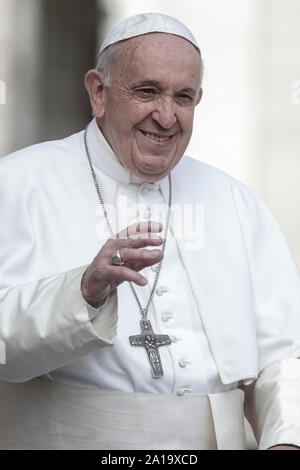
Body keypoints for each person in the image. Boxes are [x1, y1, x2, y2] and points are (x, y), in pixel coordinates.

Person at [0, 13, 299, 451]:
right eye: (147, 91)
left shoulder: (237, 203)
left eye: (184, 97)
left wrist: (286, 440)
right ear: (98, 93)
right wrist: (83, 292)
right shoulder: (17, 184)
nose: (166, 116)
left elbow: (284, 355)